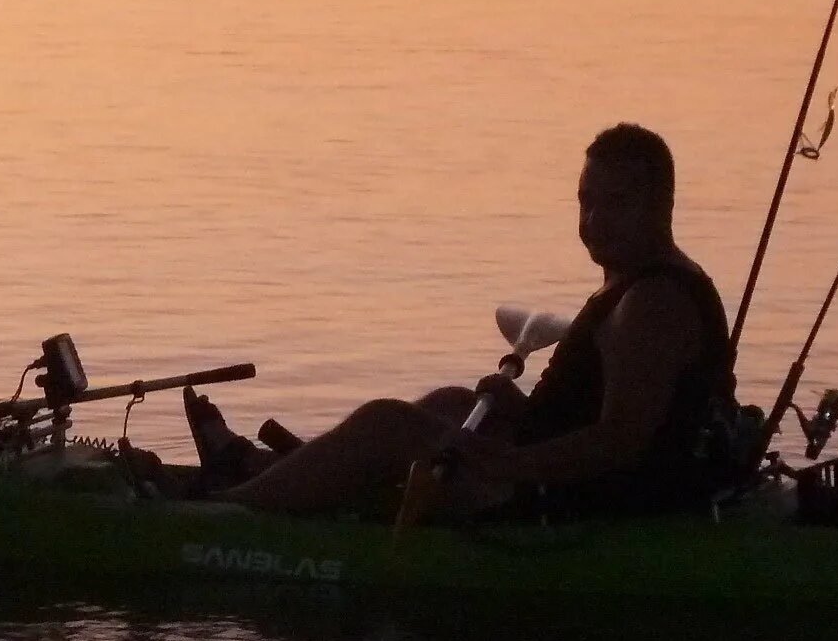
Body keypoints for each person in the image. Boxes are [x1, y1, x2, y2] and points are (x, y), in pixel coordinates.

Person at [202, 123, 736, 520]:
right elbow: (593, 415)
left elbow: (621, 442)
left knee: (388, 422)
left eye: (614, 204)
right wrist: (521, 412)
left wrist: (498, 462)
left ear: (661, 204)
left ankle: (224, 515)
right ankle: (270, 479)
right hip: (562, 482)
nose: (593, 220)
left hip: (577, 507)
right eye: (585, 201)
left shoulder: (654, 302)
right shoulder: (633, 279)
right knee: (453, 403)